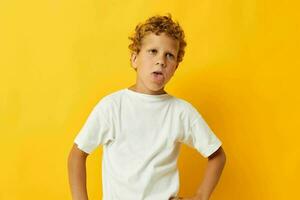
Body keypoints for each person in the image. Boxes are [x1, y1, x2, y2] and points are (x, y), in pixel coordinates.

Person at [68, 14, 226, 200]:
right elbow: (76, 156)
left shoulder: (181, 112)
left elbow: (217, 156)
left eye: (169, 55)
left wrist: (200, 196)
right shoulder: (112, 107)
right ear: (135, 59)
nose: (161, 60)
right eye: (153, 51)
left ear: (175, 68)